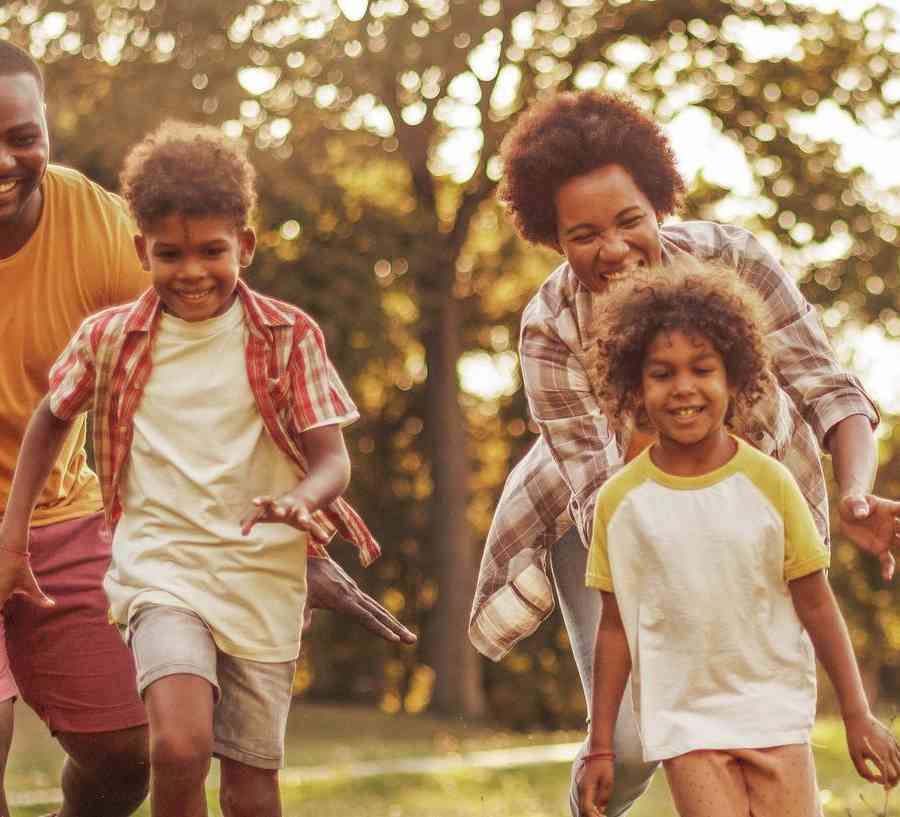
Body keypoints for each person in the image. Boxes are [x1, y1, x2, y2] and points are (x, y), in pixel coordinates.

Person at [0, 40, 413, 817]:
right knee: (151, 743)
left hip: (177, 553)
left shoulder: (272, 331)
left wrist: (305, 531)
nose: (191, 270)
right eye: (171, 255)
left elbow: (292, 435)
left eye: (21, 135)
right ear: (145, 252)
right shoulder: (115, 334)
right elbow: (57, 414)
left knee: (185, 771)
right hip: (135, 561)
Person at [469, 90, 900, 817]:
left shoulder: (734, 261)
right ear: (551, 236)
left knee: (755, 709)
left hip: (748, 507)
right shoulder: (550, 327)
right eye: (583, 234)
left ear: (659, 203)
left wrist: (855, 492)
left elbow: (829, 389)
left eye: (630, 220)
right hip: (613, 513)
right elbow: (607, 496)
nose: (613, 249)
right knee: (633, 741)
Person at [576, 258, 900, 817]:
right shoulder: (620, 502)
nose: (684, 389)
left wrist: (856, 713)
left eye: (702, 369)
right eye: (662, 373)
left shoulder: (771, 483)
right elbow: (613, 628)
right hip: (686, 723)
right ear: (634, 385)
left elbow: (817, 605)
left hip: (775, 714)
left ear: (734, 377)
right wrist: (601, 744)